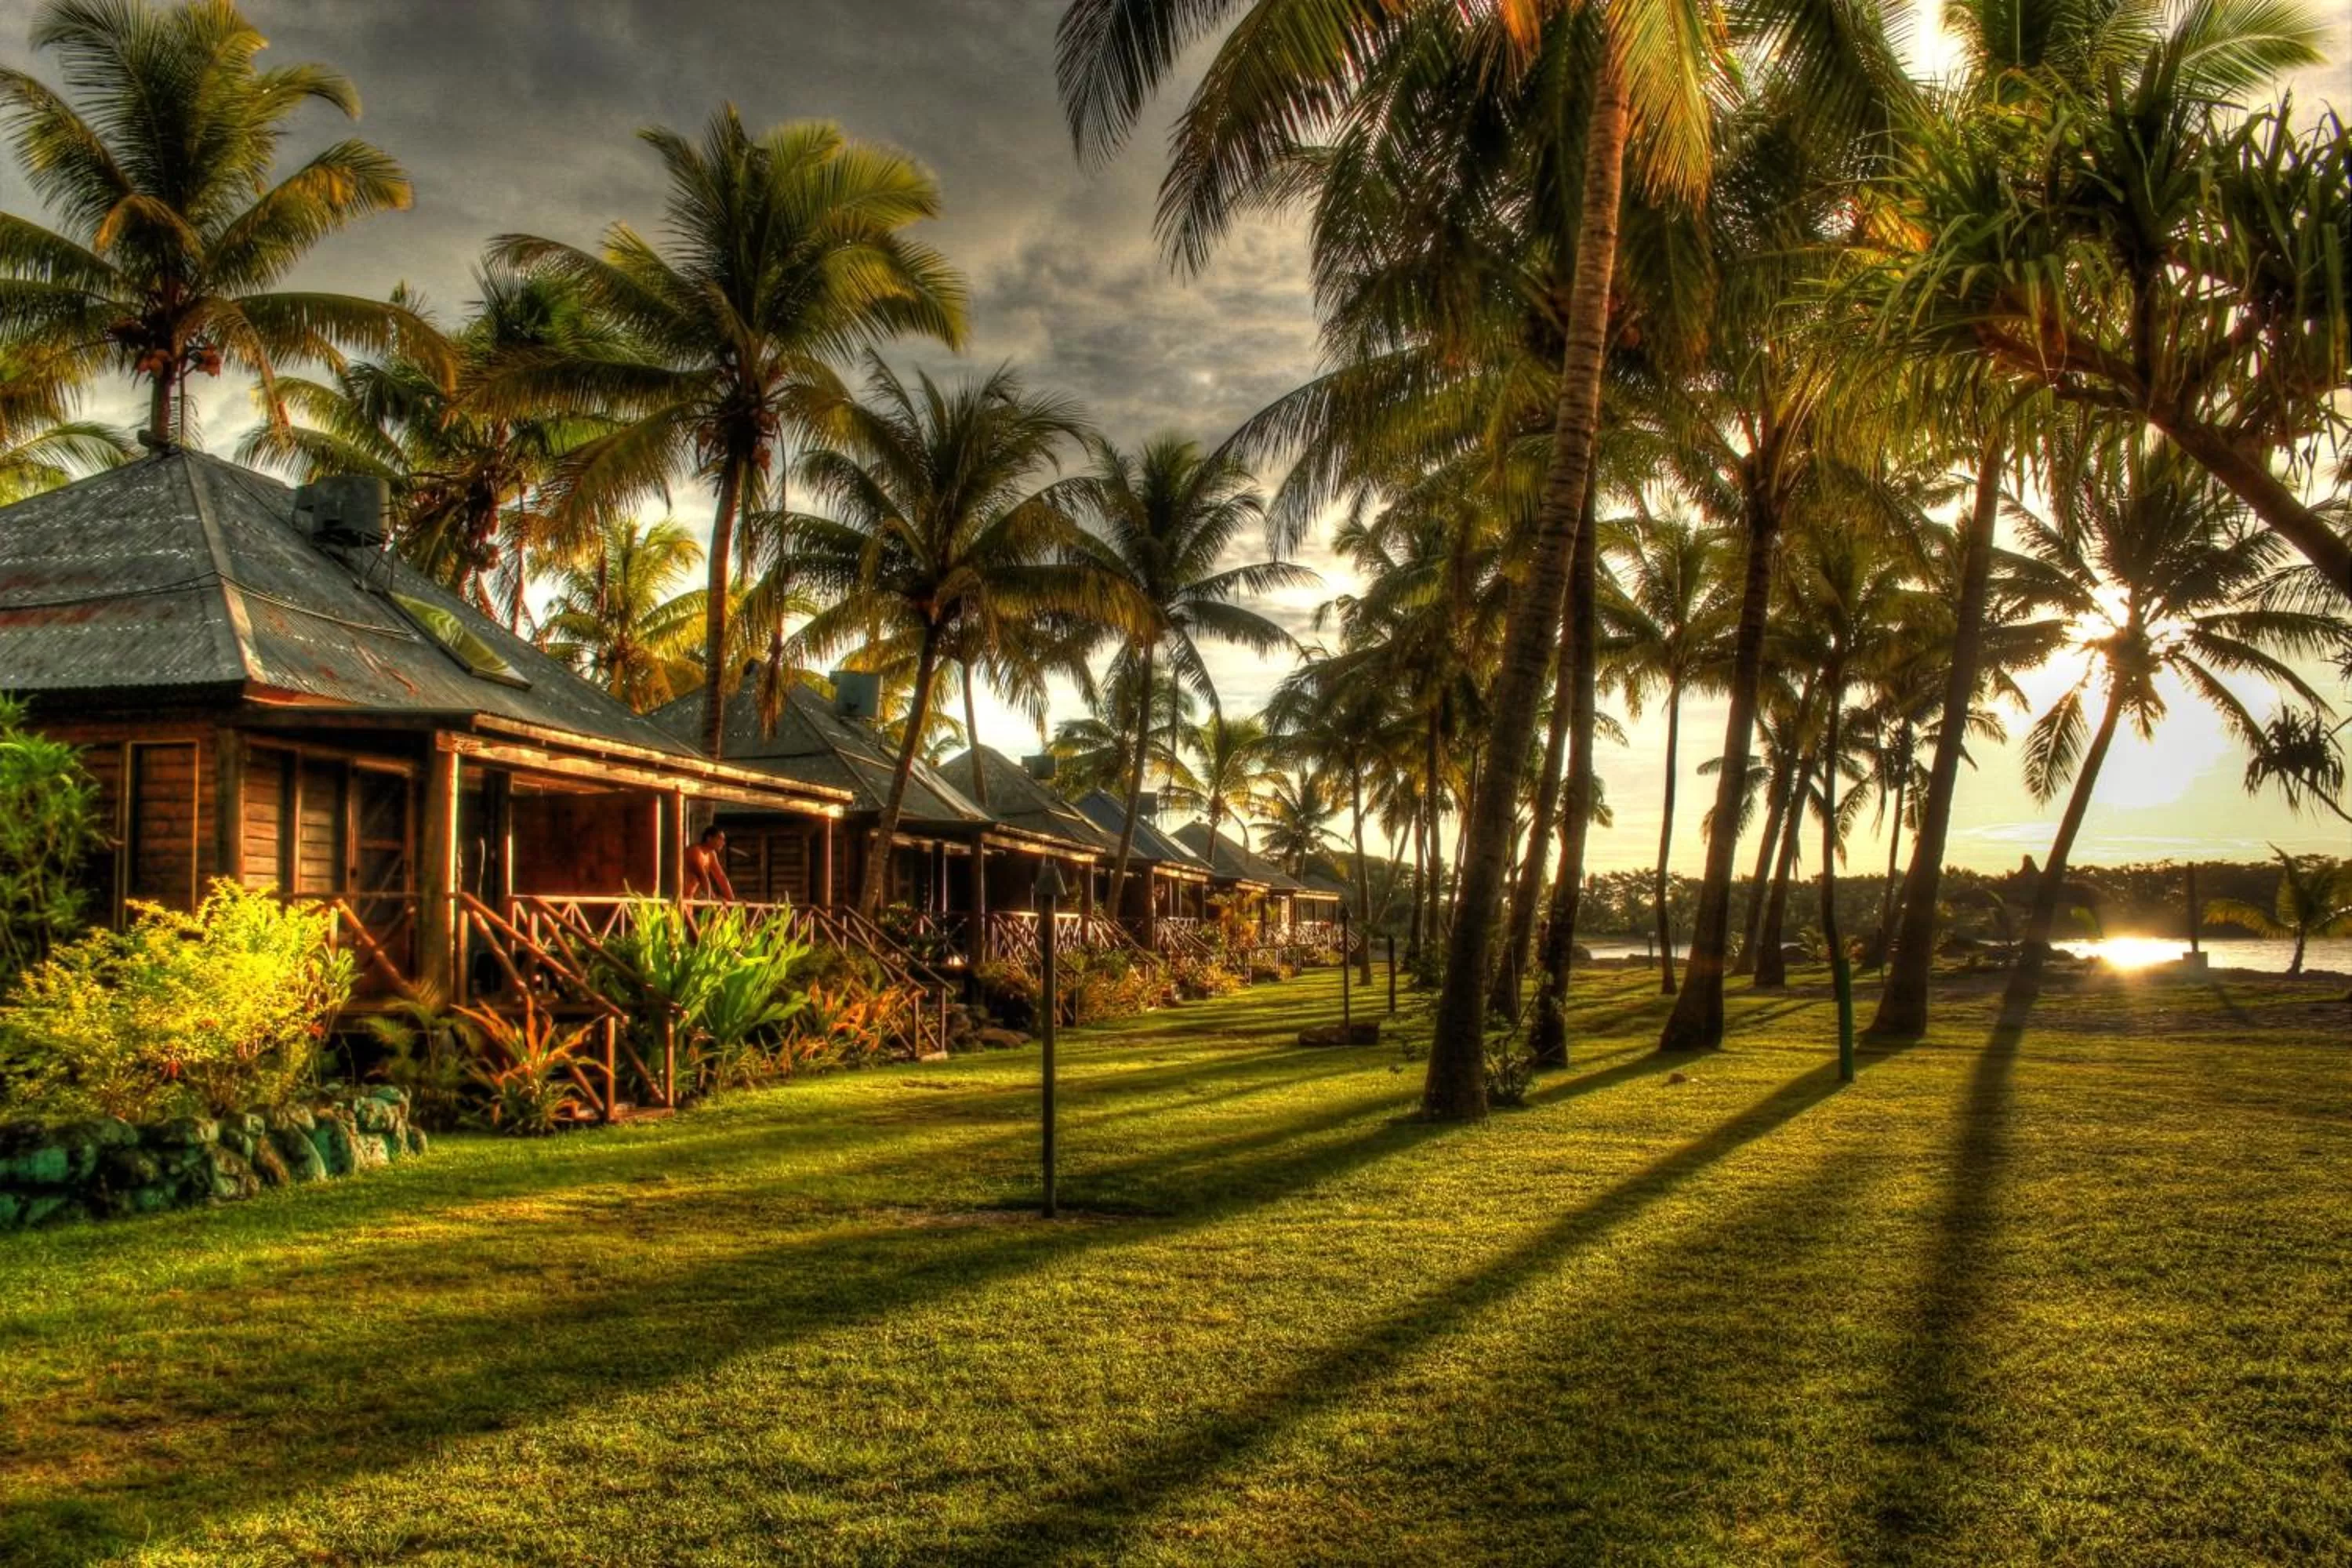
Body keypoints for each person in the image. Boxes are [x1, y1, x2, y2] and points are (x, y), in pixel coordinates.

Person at [684, 824, 737, 903]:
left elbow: (721, 877)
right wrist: (713, 898)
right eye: (720, 839)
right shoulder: (695, 851)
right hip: (678, 895)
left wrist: (732, 900)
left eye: (723, 840)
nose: (723, 843)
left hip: (689, 898)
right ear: (709, 839)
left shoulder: (711, 854)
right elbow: (702, 876)